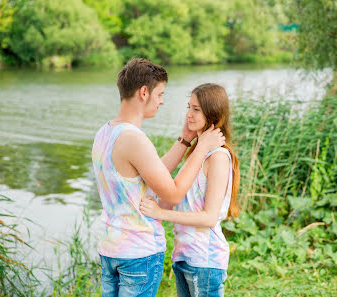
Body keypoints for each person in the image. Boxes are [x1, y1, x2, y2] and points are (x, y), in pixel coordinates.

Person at [92, 59, 225, 297]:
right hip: (137, 252)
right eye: (160, 94)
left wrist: (185, 141)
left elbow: (153, 175)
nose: (162, 101)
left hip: (111, 249)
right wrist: (202, 147)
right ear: (144, 92)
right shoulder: (135, 139)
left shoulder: (105, 132)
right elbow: (172, 192)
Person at [140, 83, 240, 297]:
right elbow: (172, 198)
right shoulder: (196, 154)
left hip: (205, 260)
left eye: (196, 109)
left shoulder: (218, 157)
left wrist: (160, 214)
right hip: (183, 256)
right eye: (188, 107)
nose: (189, 115)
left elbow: (209, 217)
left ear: (212, 113)